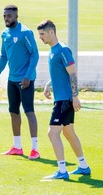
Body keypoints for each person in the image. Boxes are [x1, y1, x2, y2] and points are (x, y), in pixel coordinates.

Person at [37, 20, 91, 179]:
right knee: (68, 133)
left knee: (52, 134)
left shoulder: (63, 50)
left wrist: (75, 97)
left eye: (42, 34)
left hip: (65, 100)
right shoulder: (53, 50)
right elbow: (60, 73)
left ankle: (62, 170)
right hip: (61, 98)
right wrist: (49, 84)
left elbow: (72, 74)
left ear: (51, 32)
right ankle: (83, 166)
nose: (40, 37)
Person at [0, 4, 40, 159]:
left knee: (29, 112)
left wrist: (27, 75)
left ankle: (35, 149)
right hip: (12, 80)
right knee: (13, 112)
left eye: (9, 16)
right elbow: (4, 56)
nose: (6, 18)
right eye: (4, 16)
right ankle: (17, 146)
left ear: (16, 16)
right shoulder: (4, 34)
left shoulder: (25, 32)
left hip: (25, 80)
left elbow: (35, 55)